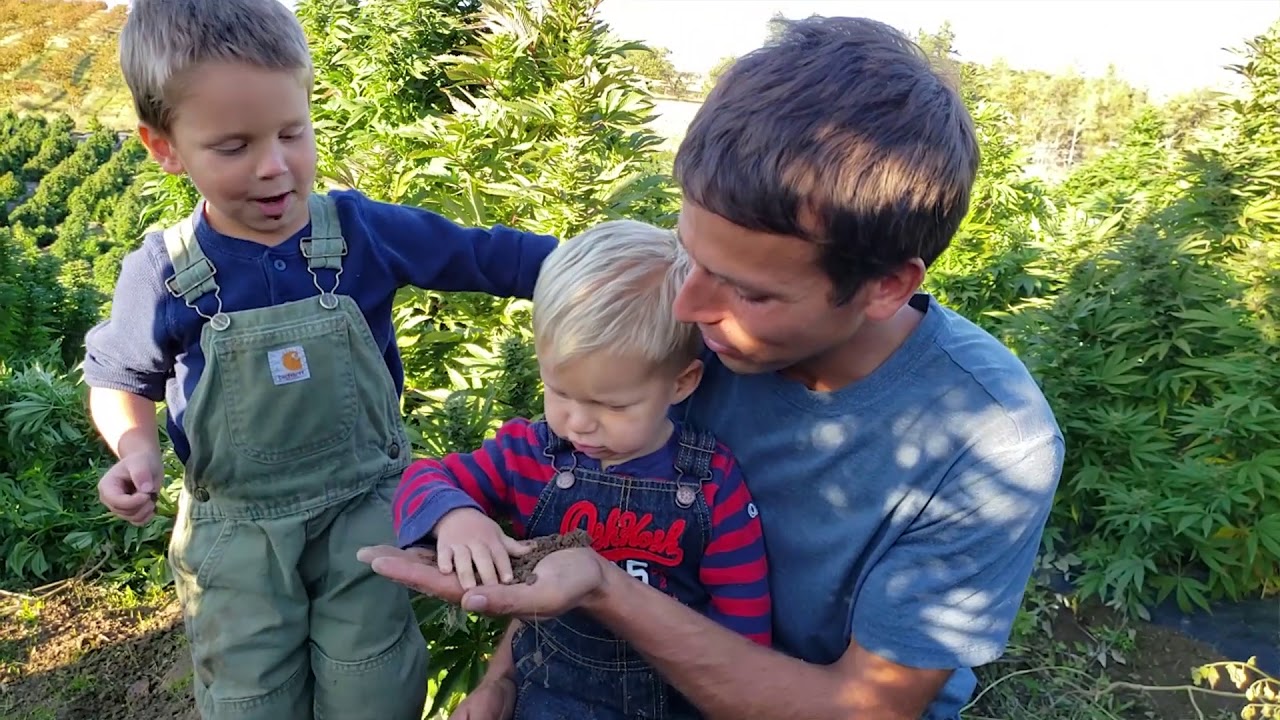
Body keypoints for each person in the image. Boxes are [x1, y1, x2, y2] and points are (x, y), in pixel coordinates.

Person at [359, 14, 1065, 720]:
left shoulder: (988, 441)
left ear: (885, 287)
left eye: (750, 290)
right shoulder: (685, 339)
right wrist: (501, 681)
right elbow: (583, 503)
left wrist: (602, 587)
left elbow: (862, 709)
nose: (690, 304)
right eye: (690, 255)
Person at [81, 1, 558, 718]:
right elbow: (119, 378)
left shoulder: (362, 232)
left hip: (364, 509)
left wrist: (597, 270)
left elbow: (490, 256)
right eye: (234, 147)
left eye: (291, 133)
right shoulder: (166, 272)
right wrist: (134, 450)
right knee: (251, 694)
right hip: (238, 536)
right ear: (165, 146)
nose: (275, 167)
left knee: (370, 681)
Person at [391, 219, 772, 720]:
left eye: (612, 406)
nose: (578, 423)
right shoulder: (532, 453)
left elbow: (745, 633)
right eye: (560, 392)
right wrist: (458, 517)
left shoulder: (712, 484)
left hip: (675, 699)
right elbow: (425, 478)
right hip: (546, 693)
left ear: (681, 384)